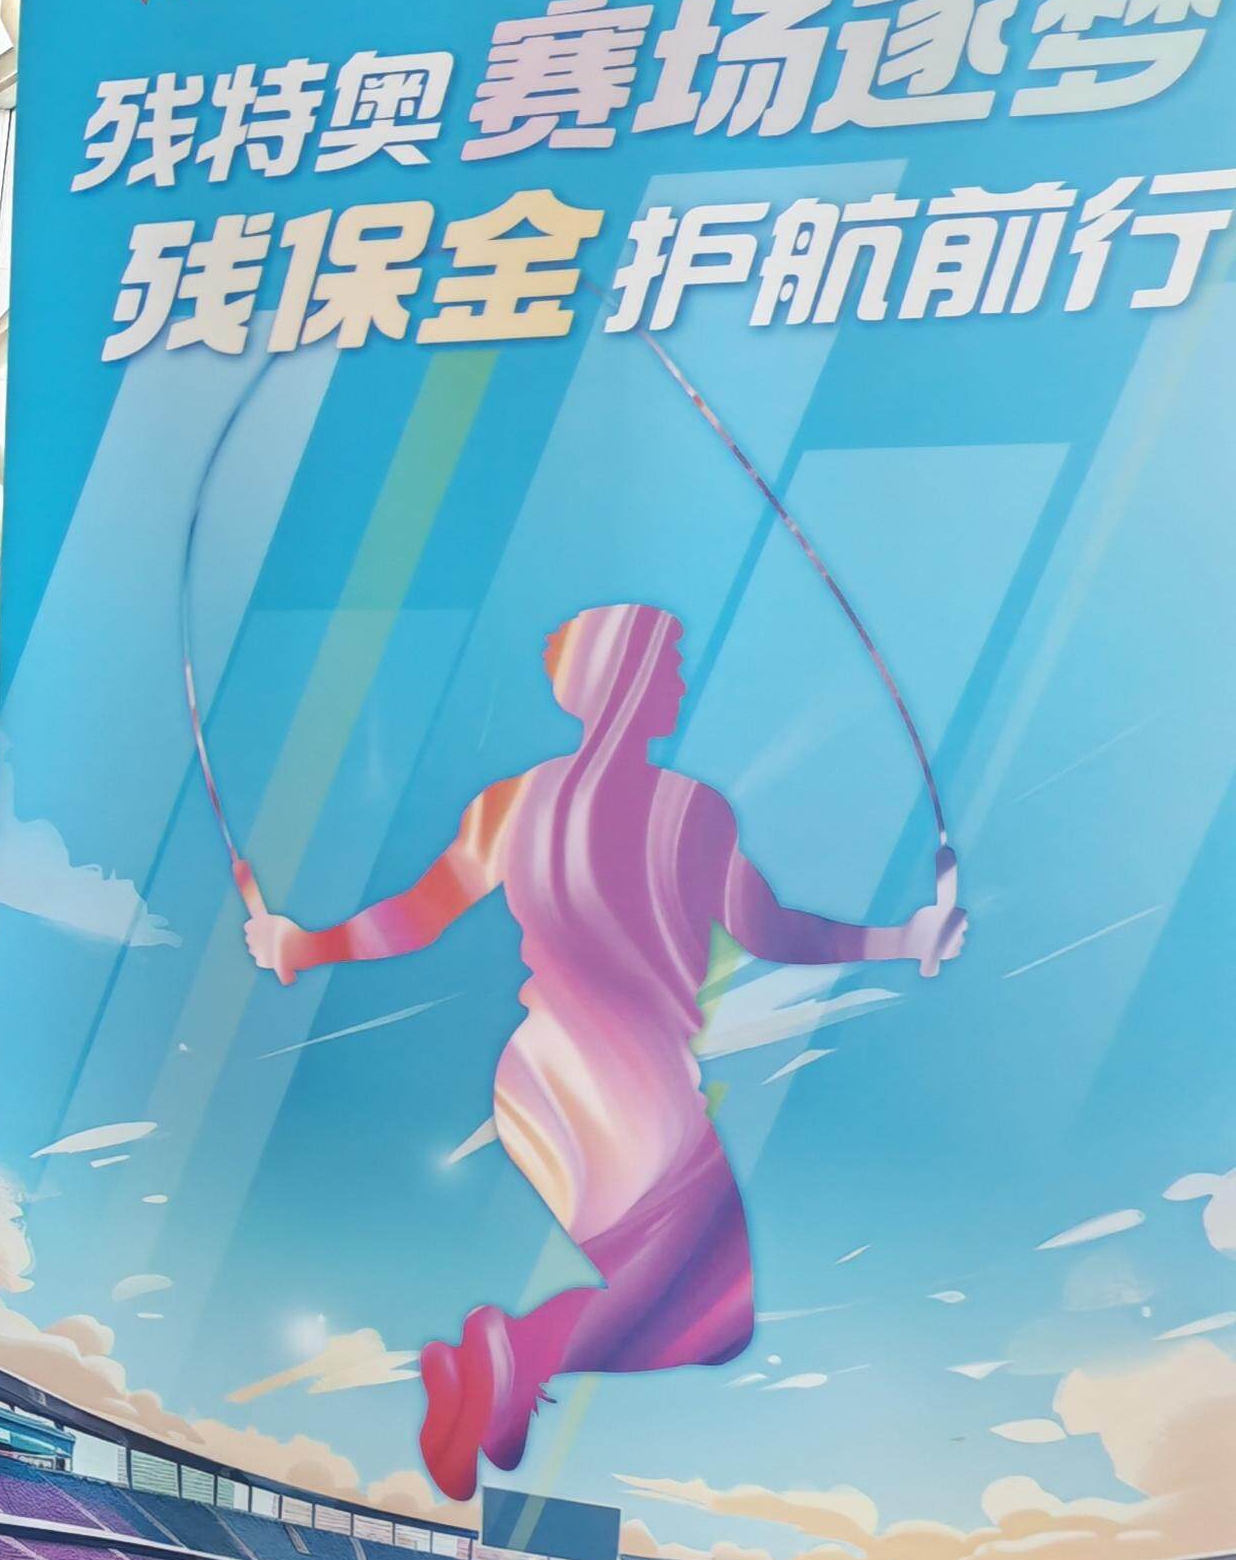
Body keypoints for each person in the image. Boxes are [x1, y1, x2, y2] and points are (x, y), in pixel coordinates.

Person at [240, 600, 967, 1498]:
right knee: (713, 1313)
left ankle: (504, 1372)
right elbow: (774, 931)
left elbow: (415, 919)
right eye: (667, 662)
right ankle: (509, 1360)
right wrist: (905, 938)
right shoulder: (690, 813)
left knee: (708, 1316)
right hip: (625, 1087)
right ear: (623, 677)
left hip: (542, 1080)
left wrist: (299, 946)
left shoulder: (513, 807)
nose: (681, 678)